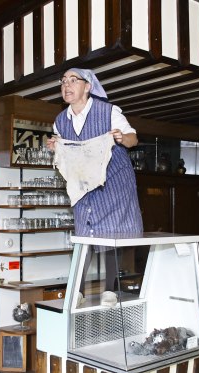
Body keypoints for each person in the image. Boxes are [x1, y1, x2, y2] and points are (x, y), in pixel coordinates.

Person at [46, 68, 143, 292]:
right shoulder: (61, 120)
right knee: (84, 235)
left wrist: (121, 137)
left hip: (114, 183)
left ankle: (110, 291)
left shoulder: (109, 112)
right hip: (83, 185)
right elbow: (64, 150)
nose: (66, 86)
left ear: (87, 86)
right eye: (63, 81)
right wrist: (54, 146)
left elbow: (133, 139)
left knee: (111, 235)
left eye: (73, 80)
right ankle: (76, 292)